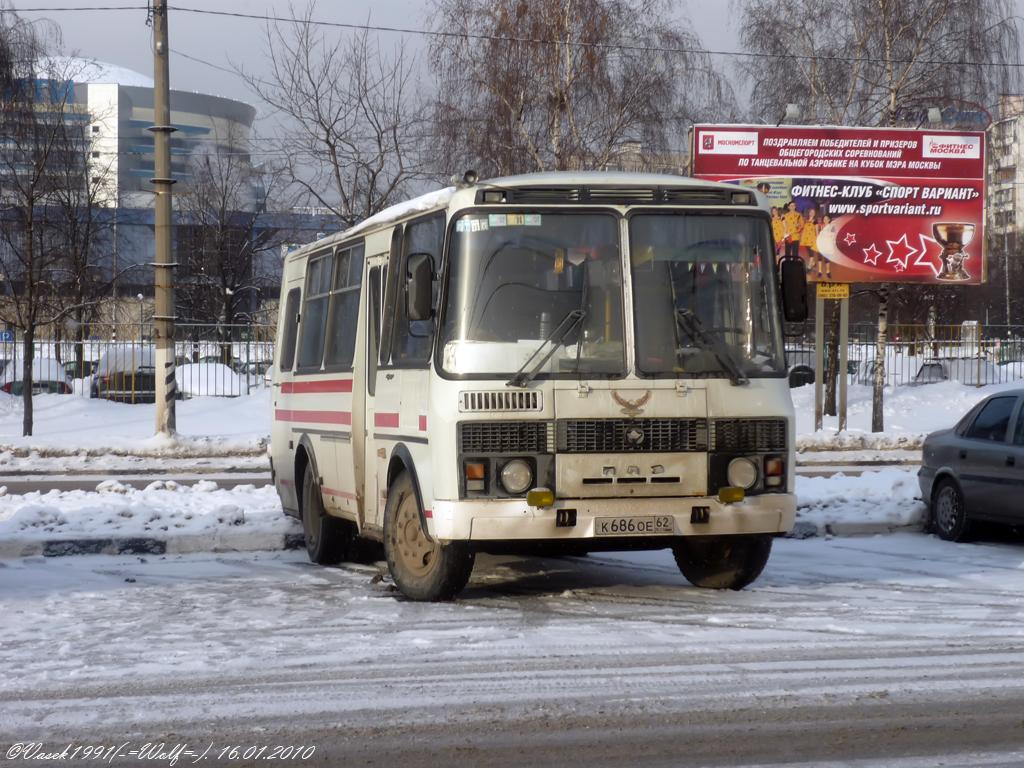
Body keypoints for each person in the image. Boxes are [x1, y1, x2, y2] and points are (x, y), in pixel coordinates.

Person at [800, 208, 820, 276]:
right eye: (811, 212)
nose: (812, 213)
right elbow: (803, 229)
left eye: (813, 212)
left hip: (812, 240)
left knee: (811, 254)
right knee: (809, 253)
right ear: (809, 213)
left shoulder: (815, 222)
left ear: (815, 214)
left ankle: (809, 267)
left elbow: (817, 232)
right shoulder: (806, 220)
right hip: (806, 239)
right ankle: (813, 263)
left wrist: (817, 240)